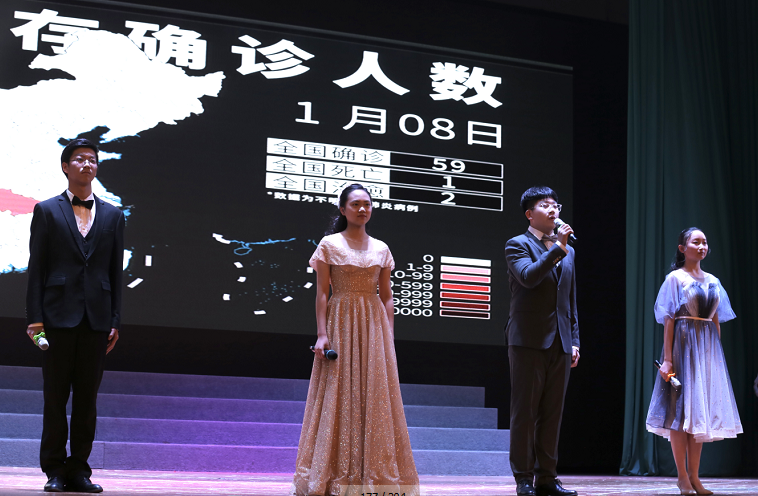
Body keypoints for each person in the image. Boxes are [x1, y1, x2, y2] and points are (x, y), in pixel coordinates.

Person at [291, 184, 419, 496]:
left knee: (375, 396)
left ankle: (373, 476)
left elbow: (386, 296)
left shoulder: (381, 248)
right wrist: (322, 334)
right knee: (338, 393)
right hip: (341, 321)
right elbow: (322, 293)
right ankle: (333, 473)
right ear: (342, 209)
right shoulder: (329, 244)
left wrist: (388, 335)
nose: (362, 209)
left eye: (367, 204)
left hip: (373, 324)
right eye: (356, 204)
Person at [26, 138, 125, 493]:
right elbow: (37, 269)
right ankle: (54, 469)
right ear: (66, 167)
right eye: (80, 159)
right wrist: (35, 320)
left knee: (87, 400)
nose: (87, 164)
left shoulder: (113, 214)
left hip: (97, 320)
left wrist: (115, 319)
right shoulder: (46, 210)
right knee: (54, 398)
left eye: (92, 160)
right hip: (55, 318)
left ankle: (80, 470)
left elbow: (115, 271)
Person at [646, 227, 742, 496]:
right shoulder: (675, 279)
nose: (701, 247)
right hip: (683, 346)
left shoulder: (713, 280)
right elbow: (668, 320)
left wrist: (715, 358)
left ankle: (695, 477)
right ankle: (682, 478)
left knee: (699, 415)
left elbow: (715, 320)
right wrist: (667, 360)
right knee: (680, 413)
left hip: (706, 350)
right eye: (695, 242)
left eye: (704, 243)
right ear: (682, 248)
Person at [505, 186, 579, 496]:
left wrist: (574, 340)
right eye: (545, 205)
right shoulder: (517, 244)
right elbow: (529, 276)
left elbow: (569, 300)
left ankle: (547, 478)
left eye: (555, 205)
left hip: (560, 341)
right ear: (529, 214)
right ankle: (523, 478)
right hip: (528, 340)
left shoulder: (568, 251)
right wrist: (558, 247)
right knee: (525, 412)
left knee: (552, 414)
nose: (553, 210)